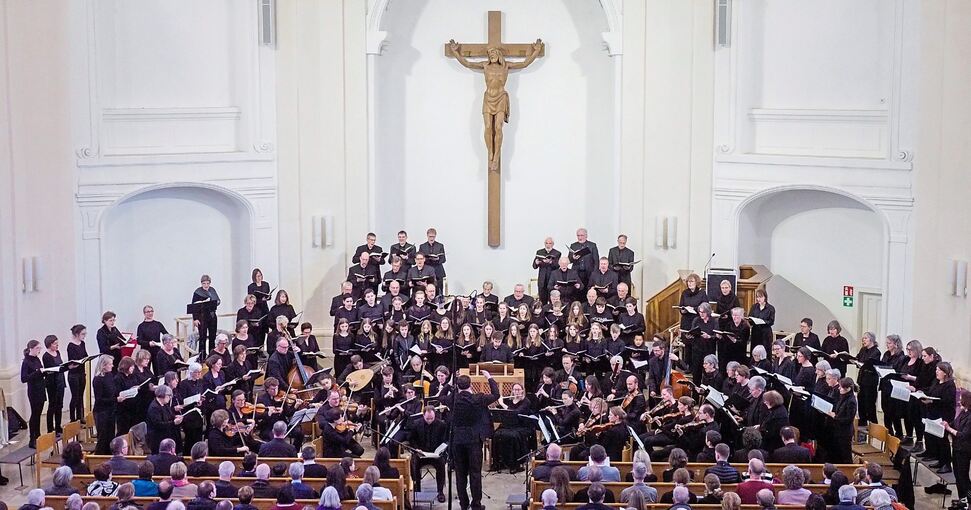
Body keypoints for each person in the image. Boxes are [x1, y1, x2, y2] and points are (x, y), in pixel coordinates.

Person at [451, 370, 499, 510]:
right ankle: (476, 504)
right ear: (470, 385)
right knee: (475, 473)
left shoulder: (454, 399)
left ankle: (463, 504)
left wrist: (449, 383)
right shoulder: (478, 398)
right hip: (473, 440)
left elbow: (440, 396)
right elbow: (496, 394)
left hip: (458, 440)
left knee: (460, 474)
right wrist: (489, 377)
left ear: (458, 386)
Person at [407, 406, 448, 501]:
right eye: (427, 418)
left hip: (435, 454)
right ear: (423, 415)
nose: (429, 420)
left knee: (441, 464)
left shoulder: (441, 425)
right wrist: (416, 449)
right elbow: (411, 439)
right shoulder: (416, 424)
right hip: (421, 454)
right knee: (413, 464)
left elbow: (445, 440)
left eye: (432, 418)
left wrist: (440, 450)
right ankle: (417, 490)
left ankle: (440, 492)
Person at [944, 390, 971, 507]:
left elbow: (963, 435)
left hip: (964, 450)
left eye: (961, 399)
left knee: (963, 476)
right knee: (957, 475)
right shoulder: (963, 412)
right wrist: (945, 424)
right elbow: (954, 423)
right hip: (956, 448)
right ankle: (962, 499)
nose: (959, 401)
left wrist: (949, 429)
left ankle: (968, 500)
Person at [20, 340, 46, 449]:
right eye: (37, 348)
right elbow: (24, 378)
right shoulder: (26, 362)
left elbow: (40, 371)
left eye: (40, 348)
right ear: (31, 348)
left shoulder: (36, 359)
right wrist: (37, 372)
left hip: (40, 389)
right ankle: (32, 439)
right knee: (34, 414)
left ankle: (38, 435)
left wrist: (44, 372)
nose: (39, 350)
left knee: (39, 413)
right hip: (33, 391)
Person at [40, 335, 67, 436]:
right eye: (55, 344)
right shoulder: (46, 356)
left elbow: (60, 365)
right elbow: (49, 370)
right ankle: (50, 429)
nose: (57, 345)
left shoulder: (58, 352)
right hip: (52, 383)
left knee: (60, 405)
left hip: (60, 381)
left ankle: (58, 426)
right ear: (49, 344)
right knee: (52, 405)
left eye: (57, 343)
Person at [191, 274, 221, 355]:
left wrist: (215, 302)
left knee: (212, 337)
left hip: (212, 316)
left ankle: (212, 355)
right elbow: (194, 306)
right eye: (204, 283)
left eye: (207, 283)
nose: (206, 285)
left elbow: (218, 300)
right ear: (201, 283)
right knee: (202, 337)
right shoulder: (197, 292)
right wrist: (195, 319)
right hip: (202, 317)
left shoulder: (212, 290)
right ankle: (202, 356)